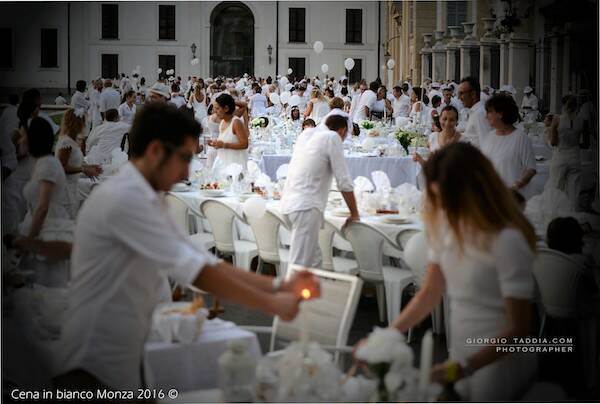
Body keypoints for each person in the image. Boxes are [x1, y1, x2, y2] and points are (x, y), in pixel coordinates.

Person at [53, 102, 319, 391]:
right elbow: (198, 272)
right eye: (183, 158)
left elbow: (203, 260)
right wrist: (272, 303)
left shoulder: (146, 195)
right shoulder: (126, 198)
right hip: (92, 361)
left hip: (126, 351)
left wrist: (279, 286)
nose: (185, 173)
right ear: (156, 151)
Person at [383, 142, 538, 401]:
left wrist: (465, 368)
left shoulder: (507, 241)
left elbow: (519, 329)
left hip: (499, 359)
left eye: (447, 199)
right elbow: (430, 293)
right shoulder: (447, 227)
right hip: (461, 347)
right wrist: (386, 336)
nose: (443, 208)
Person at [281, 113, 359, 267]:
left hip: (288, 203)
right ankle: (288, 291)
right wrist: (354, 213)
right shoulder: (332, 137)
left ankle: (319, 291)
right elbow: (343, 181)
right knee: (300, 267)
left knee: (315, 262)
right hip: (306, 207)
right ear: (342, 131)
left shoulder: (307, 134)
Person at [16, 118, 74, 287]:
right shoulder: (41, 163)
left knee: (48, 286)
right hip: (39, 226)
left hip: (48, 230)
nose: (20, 140)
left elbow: (42, 207)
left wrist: (29, 240)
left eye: (23, 136)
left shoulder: (48, 164)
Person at [481, 94, 537, 198]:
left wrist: (516, 186)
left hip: (514, 198)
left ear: (500, 114)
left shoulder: (520, 138)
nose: (486, 116)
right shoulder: (489, 137)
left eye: (489, 112)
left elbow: (531, 169)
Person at [56, 109, 102, 218]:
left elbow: (74, 163)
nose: (85, 124)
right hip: (65, 189)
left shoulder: (73, 141)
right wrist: (83, 170)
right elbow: (61, 167)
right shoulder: (66, 142)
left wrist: (90, 167)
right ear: (77, 123)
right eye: (83, 121)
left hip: (73, 187)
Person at [545, 95, 582, 209]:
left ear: (564, 106)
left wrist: (551, 128)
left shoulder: (558, 120)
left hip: (560, 156)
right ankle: (573, 215)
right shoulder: (581, 120)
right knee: (574, 191)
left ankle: (554, 212)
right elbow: (585, 143)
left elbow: (553, 143)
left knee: (555, 187)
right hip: (575, 156)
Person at [207, 93, 249, 177]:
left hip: (236, 167)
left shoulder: (236, 122)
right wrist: (216, 143)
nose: (215, 112)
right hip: (224, 165)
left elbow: (244, 144)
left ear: (226, 108)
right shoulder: (223, 121)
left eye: (217, 108)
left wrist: (224, 145)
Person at [458, 76, 492, 147]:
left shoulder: (480, 114)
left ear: (473, 94)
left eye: (461, 93)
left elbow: (486, 145)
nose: (459, 97)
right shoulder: (474, 112)